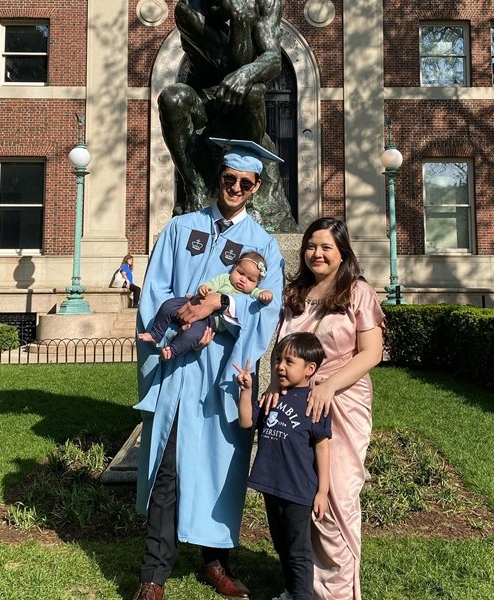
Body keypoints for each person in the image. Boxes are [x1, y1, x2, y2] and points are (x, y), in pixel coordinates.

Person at [131, 138, 286, 600]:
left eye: (245, 182)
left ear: (256, 186)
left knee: (221, 469)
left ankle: (215, 562)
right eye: (228, 179)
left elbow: (265, 310)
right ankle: (153, 577)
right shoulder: (182, 227)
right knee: (169, 467)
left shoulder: (264, 245)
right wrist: (181, 317)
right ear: (218, 179)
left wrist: (216, 309)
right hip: (179, 371)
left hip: (223, 374)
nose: (235, 187)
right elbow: (155, 289)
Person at [263, 216, 384, 599]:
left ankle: (336, 591)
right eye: (311, 246)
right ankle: (303, 586)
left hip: (342, 402)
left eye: (326, 247)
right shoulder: (294, 292)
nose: (317, 253)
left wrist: (329, 385)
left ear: (342, 252)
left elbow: (372, 353)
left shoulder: (358, 292)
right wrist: (273, 383)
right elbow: (282, 349)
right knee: (301, 494)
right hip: (297, 407)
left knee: (337, 498)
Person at [157, 0, 294, 231]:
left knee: (253, 91)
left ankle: (247, 184)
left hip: (243, 100)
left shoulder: (266, 2)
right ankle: (196, 190)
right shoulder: (189, 9)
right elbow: (229, 65)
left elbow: (273, 59)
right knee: (173, 99)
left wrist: (247, 74)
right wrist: (241, 20)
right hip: (205, 101)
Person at [236, 332, 332, 600]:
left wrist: (322, 490)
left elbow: (322, 446)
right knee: (281, 544)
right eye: (279, 359)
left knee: (298, 550)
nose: (280, 366)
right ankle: (291, 591)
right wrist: (246, 391)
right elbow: (246, 422)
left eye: (290, 361)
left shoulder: (315, 404)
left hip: (298, 491)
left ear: (309, 369)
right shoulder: (271, 399)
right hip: (271, 485)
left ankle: (302, 595)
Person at [138, 251, 274, 361]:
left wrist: (266, 295)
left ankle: (172, 351)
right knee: (169, 305)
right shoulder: (225, 279)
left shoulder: (252, 292)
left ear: (257, 283)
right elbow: (210, 285)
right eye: (240, 273)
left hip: (209, 321)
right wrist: (204, 288)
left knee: (193, 335)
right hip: (195, 302)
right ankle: (156, 333)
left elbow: (262, 298)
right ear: (234, 267)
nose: (243, 280)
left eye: (251, 279)